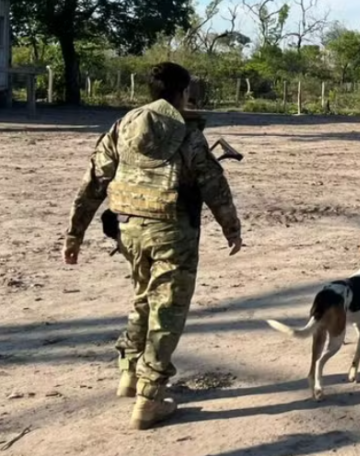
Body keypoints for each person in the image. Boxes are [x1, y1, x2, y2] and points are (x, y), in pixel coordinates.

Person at [63, 62, 244, 430]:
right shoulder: (186, 133)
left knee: (142, 298)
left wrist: (75, 233)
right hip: (172, 232)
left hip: (128, 230)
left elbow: (94, 180)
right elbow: (213, 183)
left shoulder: (123, 125)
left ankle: (130, 374)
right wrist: (231, 228)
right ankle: (150, 397)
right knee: (168, 310)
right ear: (183, 92)